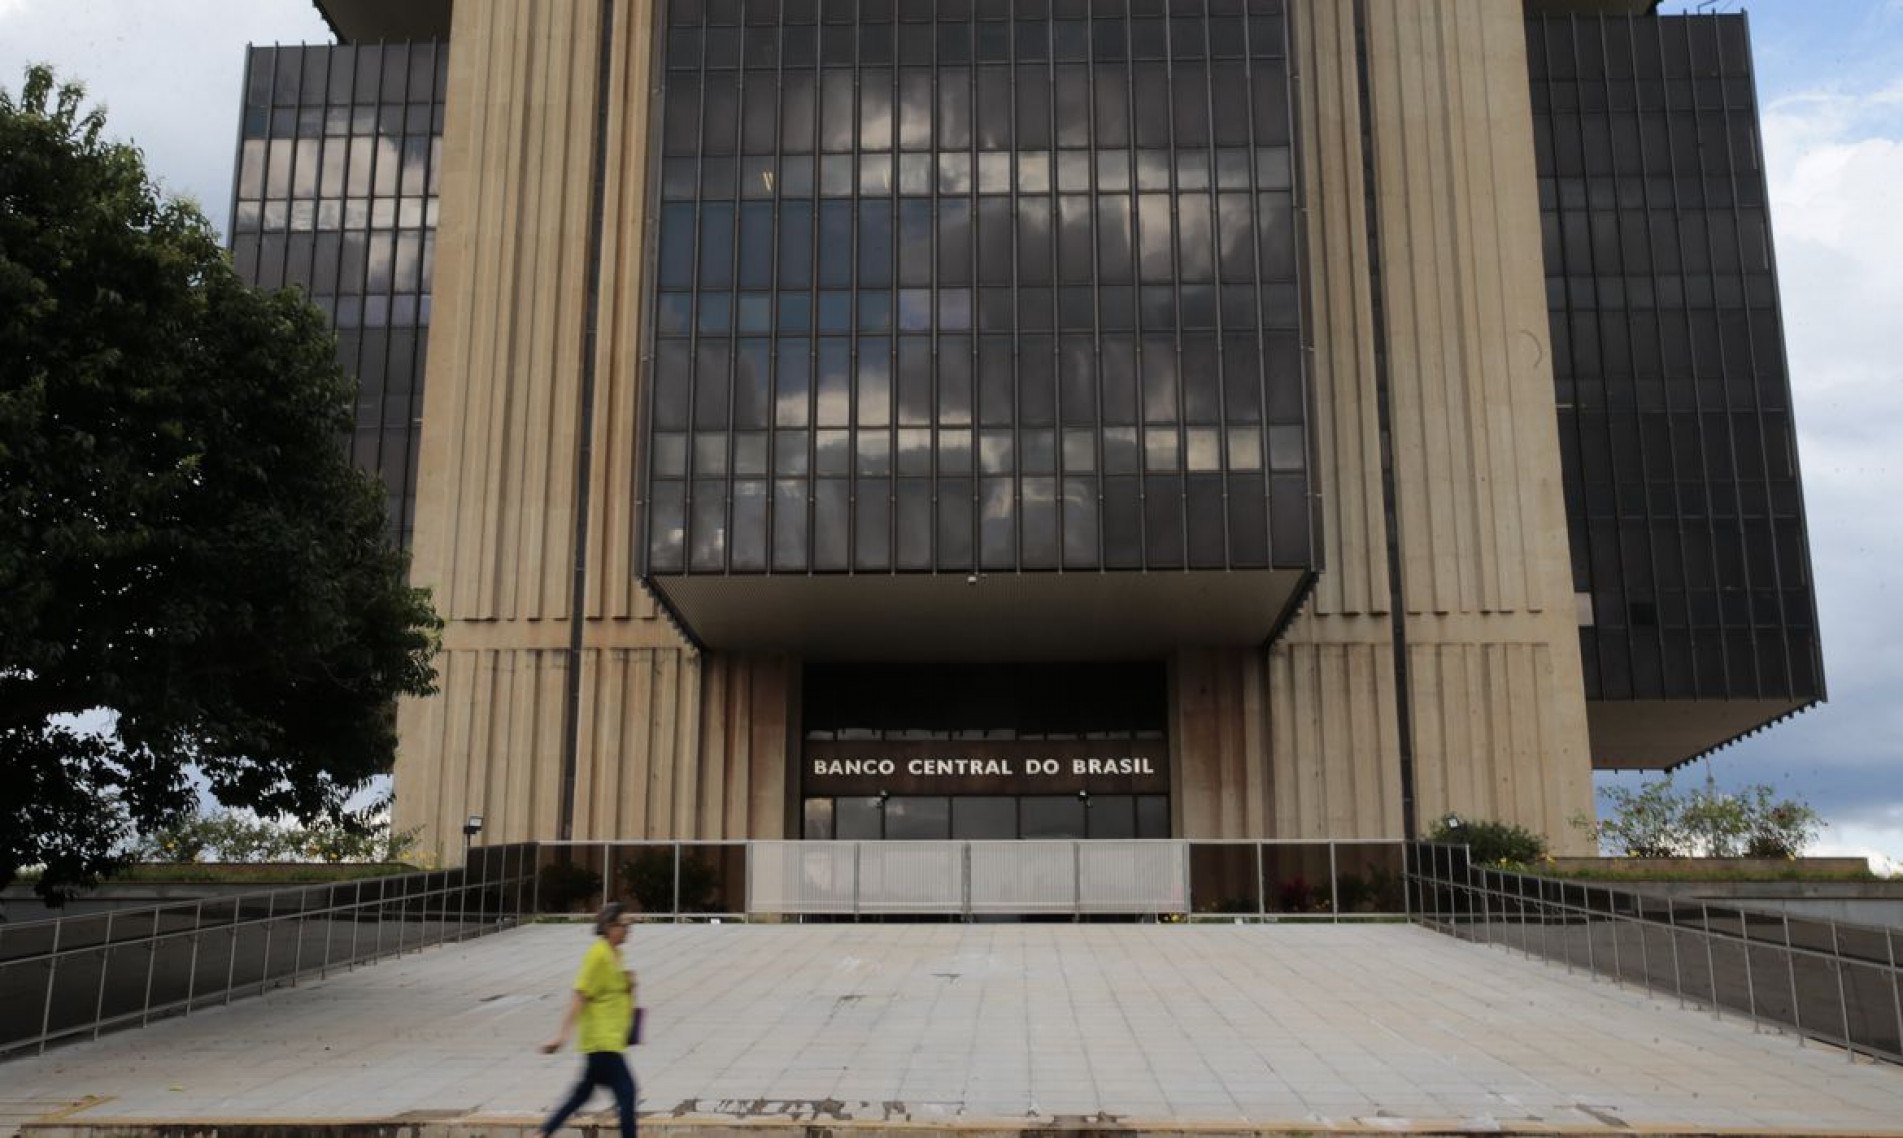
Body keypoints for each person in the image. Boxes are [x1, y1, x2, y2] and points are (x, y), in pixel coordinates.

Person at [535, 901, 639, 1138]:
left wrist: (630, 986)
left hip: (609, 1040)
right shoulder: (598, 954)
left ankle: (542, 1133)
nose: (628, 929)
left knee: (581, 1095)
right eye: (624, 924)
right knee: (627, 1093)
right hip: (602, 1042)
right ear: (610, 926)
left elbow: (613, 994)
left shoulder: (616, 954)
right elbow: (580, 994)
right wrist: (561, 1036)